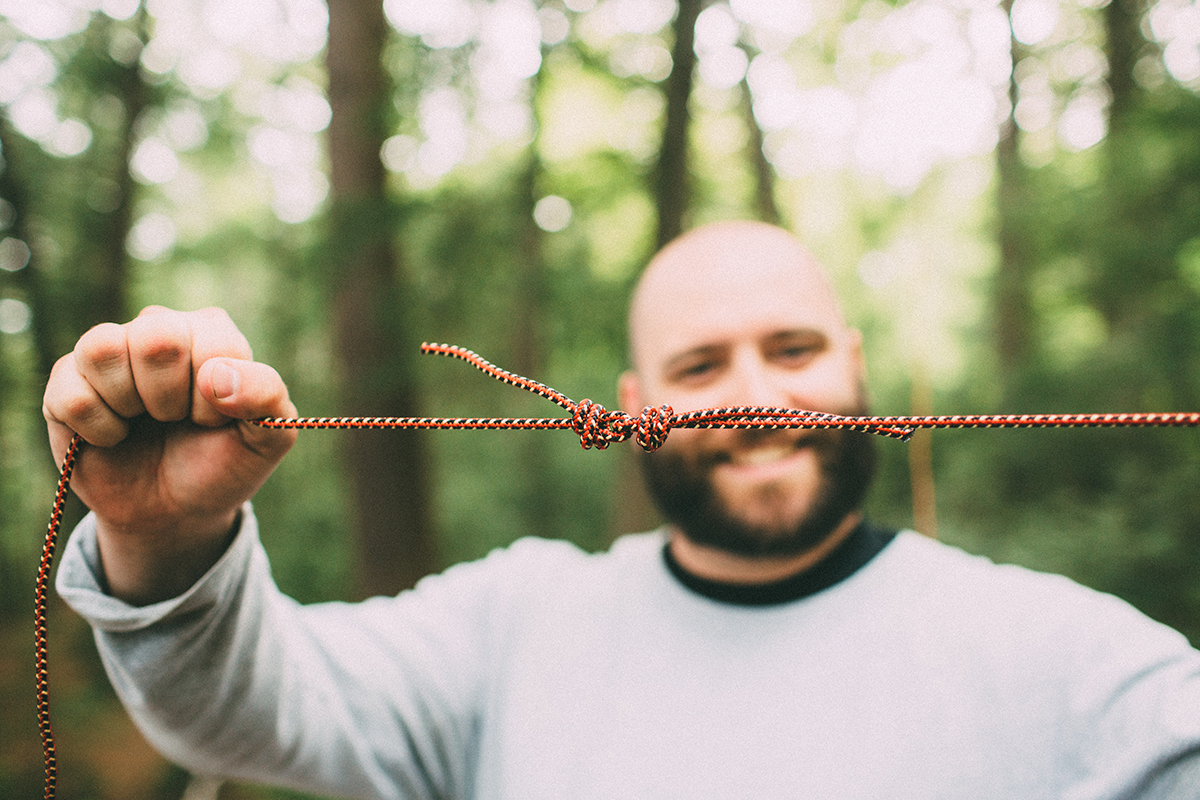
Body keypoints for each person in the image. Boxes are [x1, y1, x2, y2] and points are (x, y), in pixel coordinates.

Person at [47, 221, 1200, 799]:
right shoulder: (512, 625)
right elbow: (243, 709)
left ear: (854, 368)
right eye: (703, 366)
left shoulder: (1074, 659)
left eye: (792, 348)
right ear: (636, 404)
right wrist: (161, 532)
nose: (757, 395)